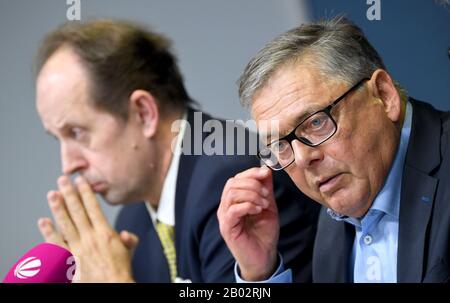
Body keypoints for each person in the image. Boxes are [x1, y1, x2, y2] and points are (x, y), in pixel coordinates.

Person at [34, 19, 320, 282]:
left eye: (77, 133)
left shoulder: (232, 177)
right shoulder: (133, 218)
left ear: (144, 113)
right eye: (57, 139)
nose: (67, 164)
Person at [218, 16, 450, 283]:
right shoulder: (331, 230)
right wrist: (261, 273)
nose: (304, 158)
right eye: (280, 144)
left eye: (316, 122)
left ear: (384, 96)